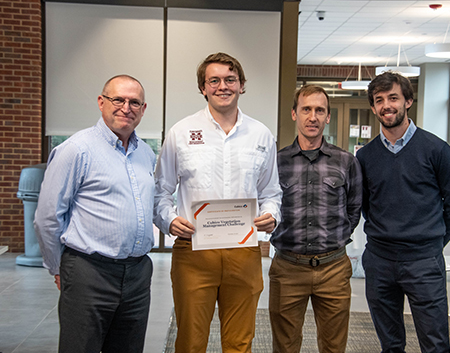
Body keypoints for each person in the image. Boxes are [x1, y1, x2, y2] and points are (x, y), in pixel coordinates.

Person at [153, 52, 282, 352]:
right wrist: (170, 220)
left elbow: (271, 192)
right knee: (190, 341)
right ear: (203, 87)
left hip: (244, 251)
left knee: (240, 342)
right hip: (193, 252)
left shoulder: (261, 135)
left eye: (230, 79)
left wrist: (271, 215)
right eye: (214, 80)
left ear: (241, 85)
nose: (222, 86)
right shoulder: (181, 133)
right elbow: (161, 192)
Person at [34, 75, 156, 353]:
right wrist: (58, 267)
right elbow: (48, 217)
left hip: (137, 274)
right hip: (89, 271)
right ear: (101, 103)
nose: (127, 107)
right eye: (118, 100)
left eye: (134, 102)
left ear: (143, 109)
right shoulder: (76, 150)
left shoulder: (146, 154)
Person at [356, 71, 450, 353]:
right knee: (390, 345)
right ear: (373, 107)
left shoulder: (437, 150)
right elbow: (367, 205)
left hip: (423, 262)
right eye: (379, 100)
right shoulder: (365, 157)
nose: (386, 105)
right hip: (380, 261)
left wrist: (431, 242)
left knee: (435, 344)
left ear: (408, 101)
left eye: (393, 97)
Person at [269, 85, 363, 352]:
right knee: (285, 346)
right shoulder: (277, 162)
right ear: (294, 114)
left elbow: (353, 210)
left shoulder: (346, 162)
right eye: (306, 109)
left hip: (333, 267)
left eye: (320, 110)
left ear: (328, 116)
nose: (313, 117)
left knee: (334, 346)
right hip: (288, 268)